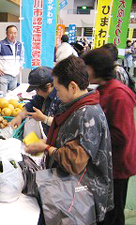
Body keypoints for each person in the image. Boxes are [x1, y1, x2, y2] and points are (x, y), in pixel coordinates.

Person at [26, 56, 114, 224]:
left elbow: (74, 161)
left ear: (73, 87)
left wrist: (48, 149)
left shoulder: (86, 114)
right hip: (74, 189)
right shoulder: (77, 107)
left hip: (82, 194)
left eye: (58, 90)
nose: (56, 94)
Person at [83, 48, 136, 225]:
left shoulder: (118, 94)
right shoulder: (104, 89)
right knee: (104, 211)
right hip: (107, 162)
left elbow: (121, 135)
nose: (85, 71)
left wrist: (90, 141)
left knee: (113, 213)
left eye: (87, 67)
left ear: (96, 68)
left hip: (117, 165)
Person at [9, 66, 60, 135]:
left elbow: (63, 123)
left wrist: (44, 118)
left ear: (48, 86)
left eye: (37, 90)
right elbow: (32, 104)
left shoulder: (61, 98)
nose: (37, 93)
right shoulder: (42, 96)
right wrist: (20, 116)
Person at [0, 25, 24, 96]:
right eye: (11, 33)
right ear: (7, 33)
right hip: (3, 76)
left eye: (15, 33)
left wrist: (20, 66)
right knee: (2, 98)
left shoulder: (19, 45)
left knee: (13, 97)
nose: (13, 35)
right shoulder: (0, 44)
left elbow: (22, 57)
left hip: (14, 76)